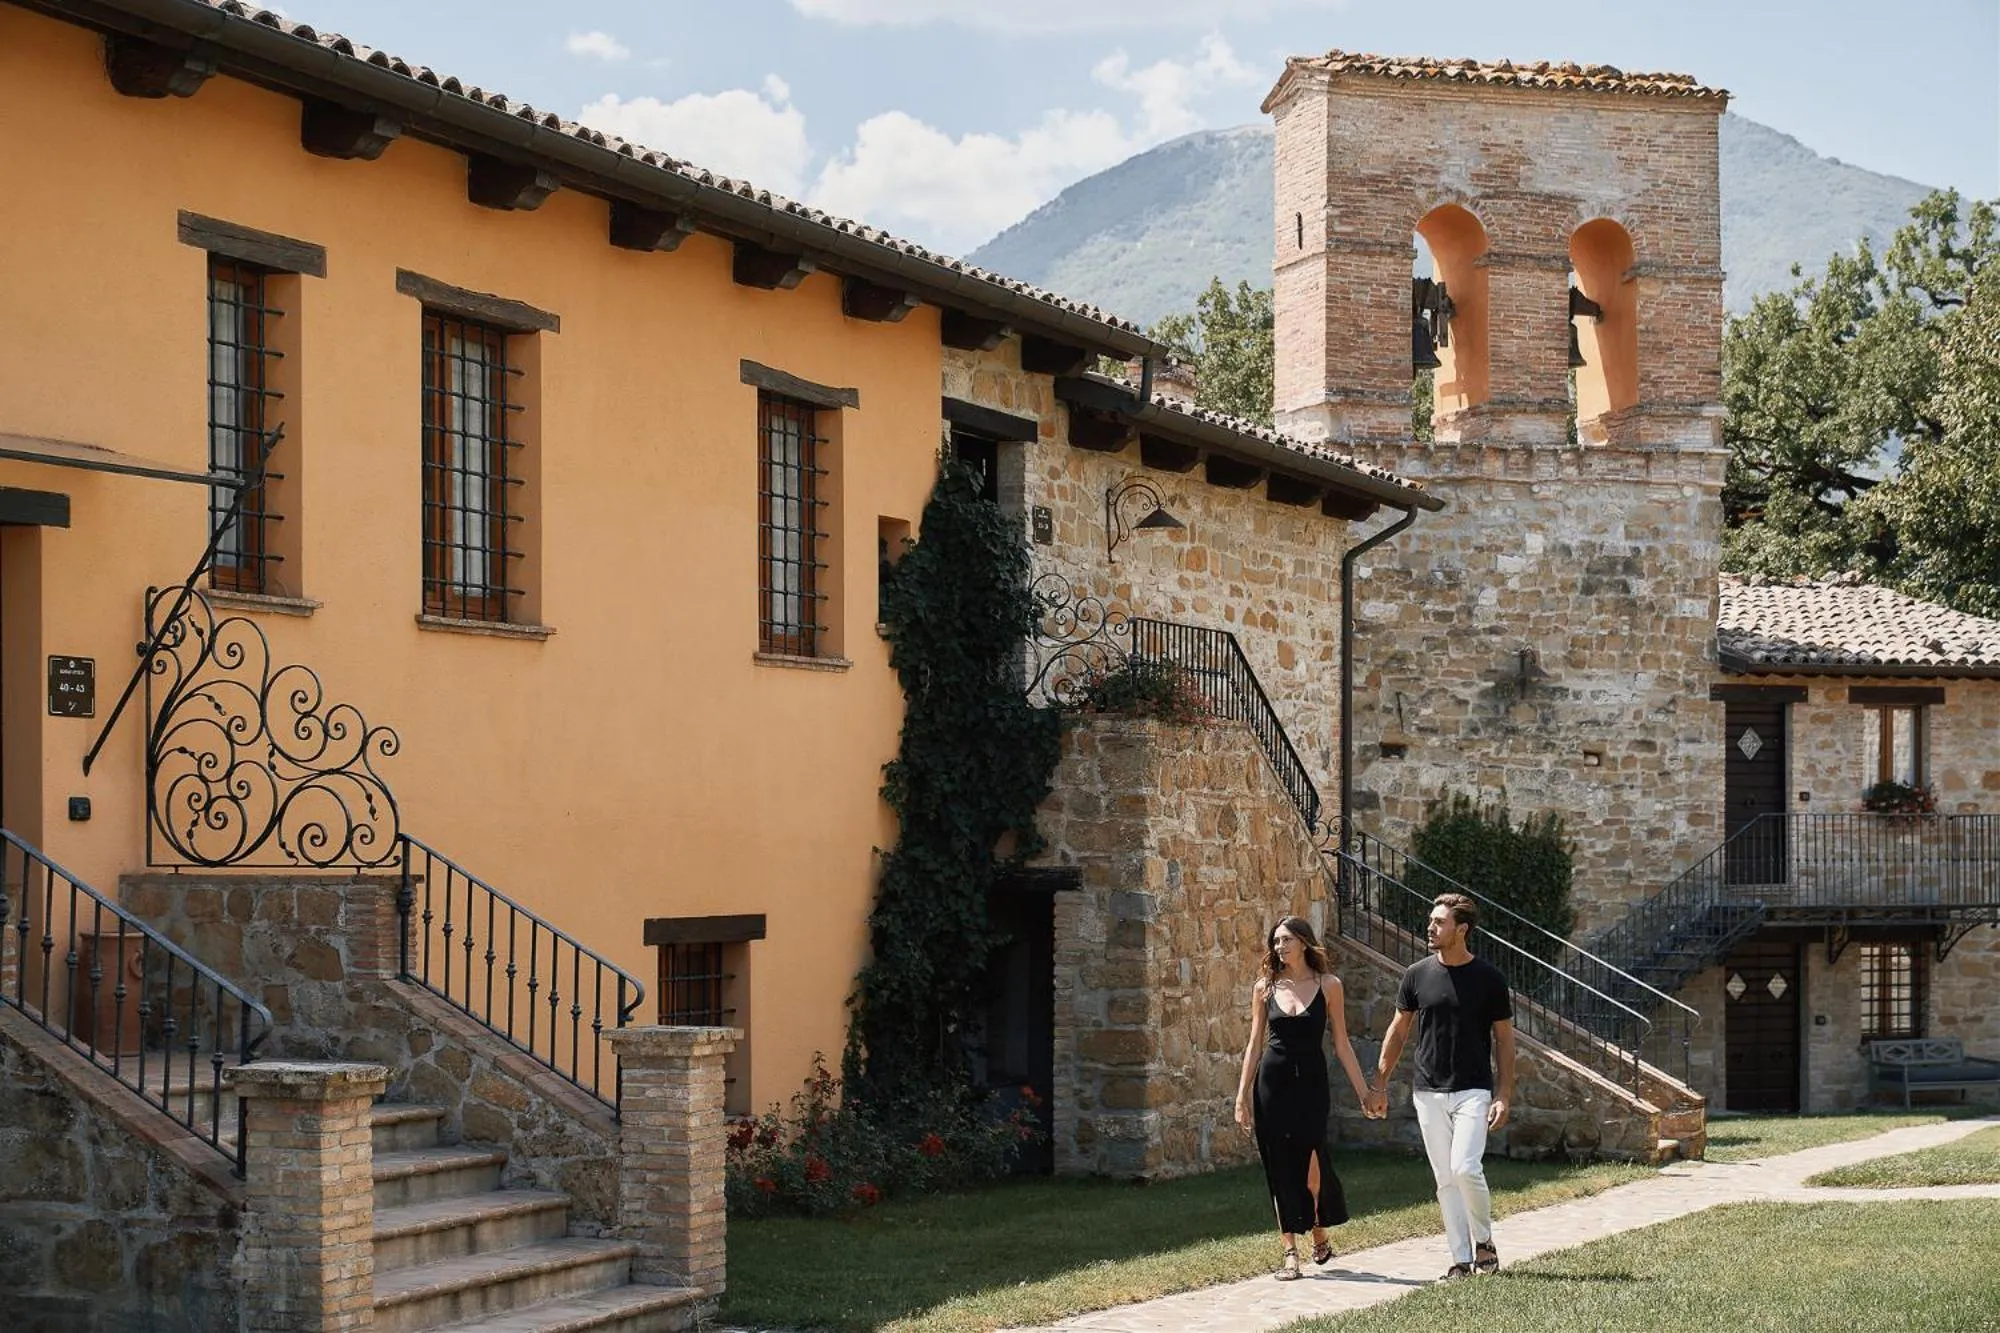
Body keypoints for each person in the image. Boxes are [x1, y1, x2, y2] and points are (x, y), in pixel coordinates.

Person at [1363, 892, 1516, 1281]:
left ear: (1461, 929)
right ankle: (1461, 1260)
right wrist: (1379, 1082)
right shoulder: (1416, 974)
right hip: (1427, 1090)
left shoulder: (1489, 979)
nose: (1431, 927)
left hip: (1473, 1090)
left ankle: (1484, 1240)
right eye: (1431, 920)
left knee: (1465, 1168)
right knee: (1445, 1180)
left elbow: (1504, 1040)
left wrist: (1504, 1094)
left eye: (1439, 922)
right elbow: (1398, 1033)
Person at [1233, 915, 1374, 1281]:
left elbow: (1342, 1044)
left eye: (1286, 940)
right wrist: (1241, 1097)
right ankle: (1290, 1253)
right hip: (1272, 1083)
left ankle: (1319, 1231)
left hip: (1311, 1084)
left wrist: (1364, 1092)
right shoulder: (1264, 987)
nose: (1279, 947)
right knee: (1277, 1164)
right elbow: (1253, 1044)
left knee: (1313, 1162)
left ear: (1304, 942)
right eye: (1275, 942)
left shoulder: (1330, 985)